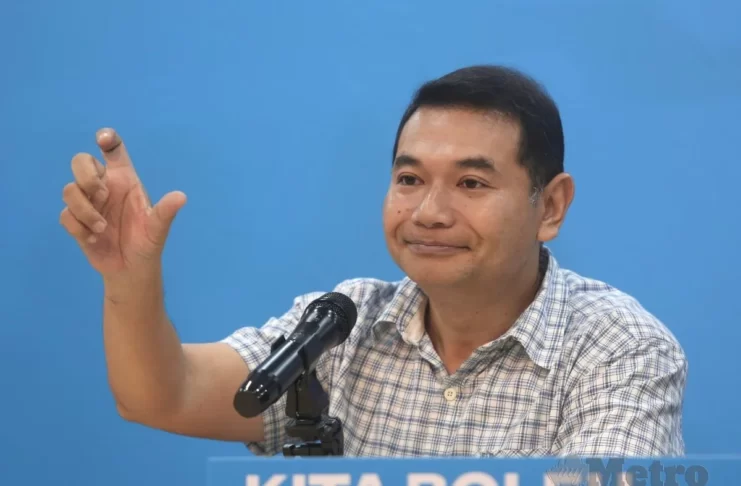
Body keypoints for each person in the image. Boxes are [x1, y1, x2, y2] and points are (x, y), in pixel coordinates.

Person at [60, 64, 687, 457]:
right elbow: (161, 395)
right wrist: (129, 278)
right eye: (410, 179)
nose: (429, 213)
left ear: (549, 205)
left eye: (471, 183)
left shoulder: (618, 348)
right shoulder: (343, 322)